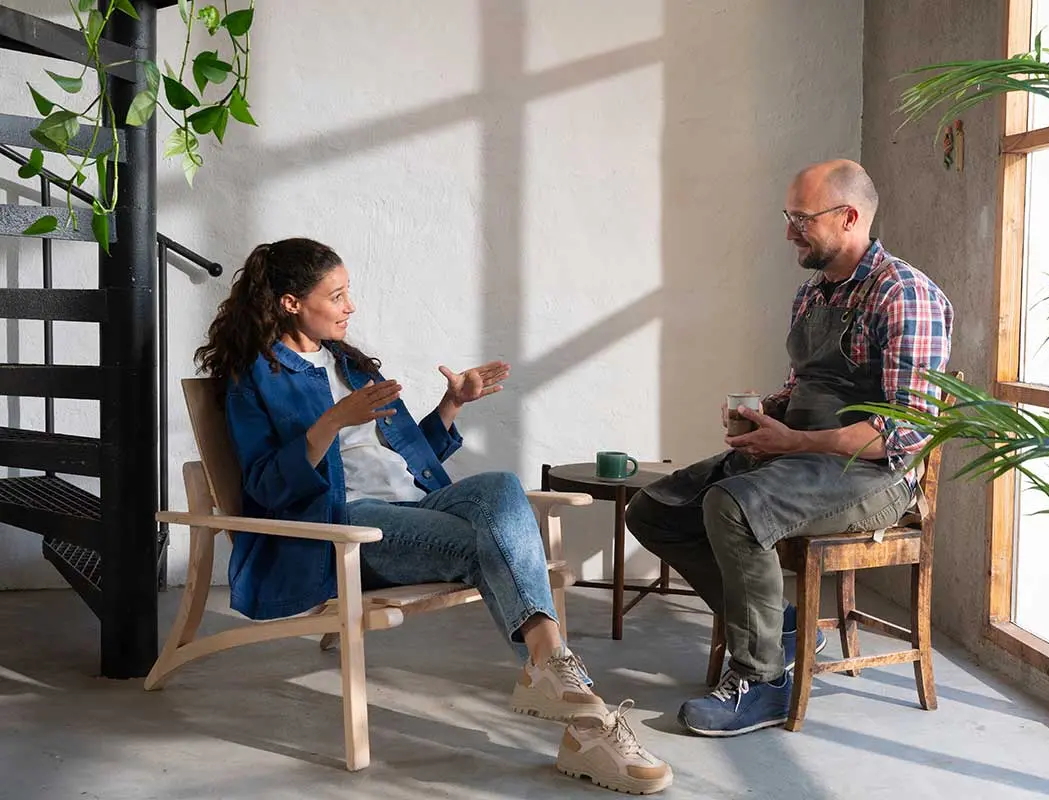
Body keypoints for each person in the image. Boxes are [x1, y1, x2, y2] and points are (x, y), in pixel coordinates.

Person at [193, 237, 672, 794]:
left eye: (349, 293)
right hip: (343, 526)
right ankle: (577, 701)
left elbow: (402, 459)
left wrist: (453, 406)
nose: (351, 306)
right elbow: (265, 486)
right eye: (337, 295)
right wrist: (331, 423)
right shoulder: (255, 379)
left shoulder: (347, 362)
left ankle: (557, 682)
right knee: (483, 544)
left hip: (414, 508)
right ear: (291, 304)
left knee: (500, 487)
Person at [626, 159, 954, 737]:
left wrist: (794, 440)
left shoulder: (904, 294)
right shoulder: (812, 294)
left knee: (731, 505)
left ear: (849, 217)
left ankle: (764, 683)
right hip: (800, 459)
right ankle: (780, 625)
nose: (787, 232)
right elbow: (802, 384)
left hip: (873, 477)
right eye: (789, 217)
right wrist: (763, 415)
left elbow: (904, 431)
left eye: (801, 218)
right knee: (655, 509)